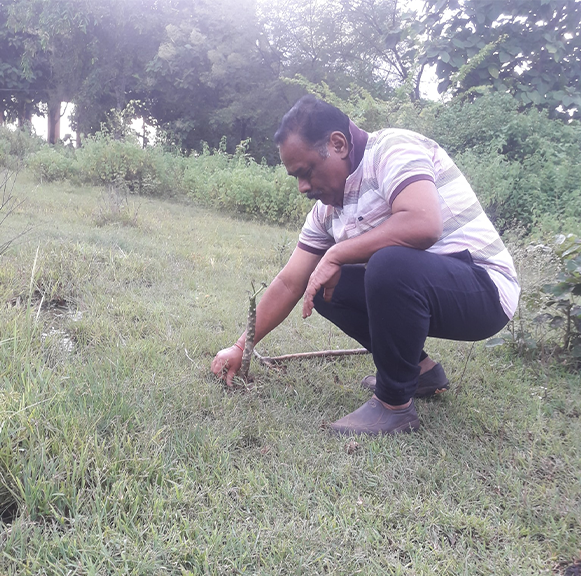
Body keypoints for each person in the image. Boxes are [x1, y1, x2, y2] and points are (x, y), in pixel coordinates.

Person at [211, 95, 520, 436]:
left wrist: (337, 254)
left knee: (388, 263)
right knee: (324, 286)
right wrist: (241, 346)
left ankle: (394, 405)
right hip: (429, 289)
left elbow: (424, 224)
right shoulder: (327, 211)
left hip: (484, 289)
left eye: (306, 172)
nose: (302, 187)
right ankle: (420, 372)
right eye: (295, 177)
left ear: (338, 144)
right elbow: (290, 282)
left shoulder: (392, 150)